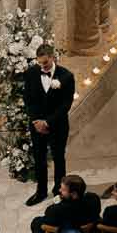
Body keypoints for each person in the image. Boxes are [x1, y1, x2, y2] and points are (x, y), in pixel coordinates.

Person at [23, 43, 76, 206]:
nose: (43, 67)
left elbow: (66, 105)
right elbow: (28, 100)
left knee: (59, 158)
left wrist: (47, 121)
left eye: (45, 63)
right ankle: (41, 191)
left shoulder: (66, 76)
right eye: (40, 63)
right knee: (39, 158)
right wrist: (36, 121)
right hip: (36, 124)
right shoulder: (31, 74)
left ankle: (59, 192)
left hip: (58, 125)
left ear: (53, 58)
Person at [33, 173, 103, 233]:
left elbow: (49, 213)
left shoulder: (61, 209)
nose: (59, 191)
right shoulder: (94, 199)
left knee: (36, 222)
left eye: (63, 190)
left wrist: (59, 202)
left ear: (74, 194)